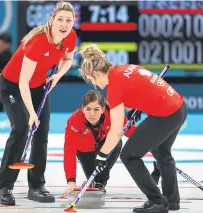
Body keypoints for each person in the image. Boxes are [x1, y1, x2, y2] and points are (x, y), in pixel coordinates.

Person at [78, 44, 187, 213]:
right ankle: (172, 201)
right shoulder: (124, 69)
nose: (95, 85)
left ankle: (157, 201)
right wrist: (139, 106)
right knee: (162, 153)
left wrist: (102, 155)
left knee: (129, 155)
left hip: (166, 115)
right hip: (179, 108)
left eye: (91, 80)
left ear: (95, 73)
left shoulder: (114, 87)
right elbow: (145, 87)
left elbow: (116, 130)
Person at [0, 1, 77, 206]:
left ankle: (36, 186)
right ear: (52, 20)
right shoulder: (38, 42)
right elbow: (23, 81)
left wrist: (58, 75)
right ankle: (5, 187)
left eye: (69, 20)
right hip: (13, 86)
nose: (64, 24)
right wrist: (32, 113)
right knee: (22, 127)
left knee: (41, 134)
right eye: (60, 19)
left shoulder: (71, 37)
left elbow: (67, 59)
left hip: (39, 85)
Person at [62, 90, 137, 198]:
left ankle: (100, 182)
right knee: (94, 177)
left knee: (116, 141)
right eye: (88, 109)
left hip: (105, 146)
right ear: (82, 109)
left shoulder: (113, 113)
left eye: (96, 109)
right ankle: (96, 181)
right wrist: (71, 180)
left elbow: (130, 132)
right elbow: (69, 151)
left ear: (102, 109)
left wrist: (153, 140)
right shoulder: (74, 121)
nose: (92, 114)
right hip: (85, 150)